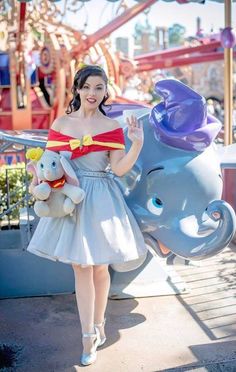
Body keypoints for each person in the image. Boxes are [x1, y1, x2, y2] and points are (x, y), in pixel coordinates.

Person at [27, 65, 147, 366]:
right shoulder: (62, 123)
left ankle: (99, 323)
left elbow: (119, 168)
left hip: (103, 200)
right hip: (72, 199)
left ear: (106, 90)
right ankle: (88, 336)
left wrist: (137, 143)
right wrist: (37, 182)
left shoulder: (112, 127)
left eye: (99, 87)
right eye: (87, 87)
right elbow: (48, 163)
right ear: (77, 89)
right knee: (81, 267)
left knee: (100, 269)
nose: (93, 93)